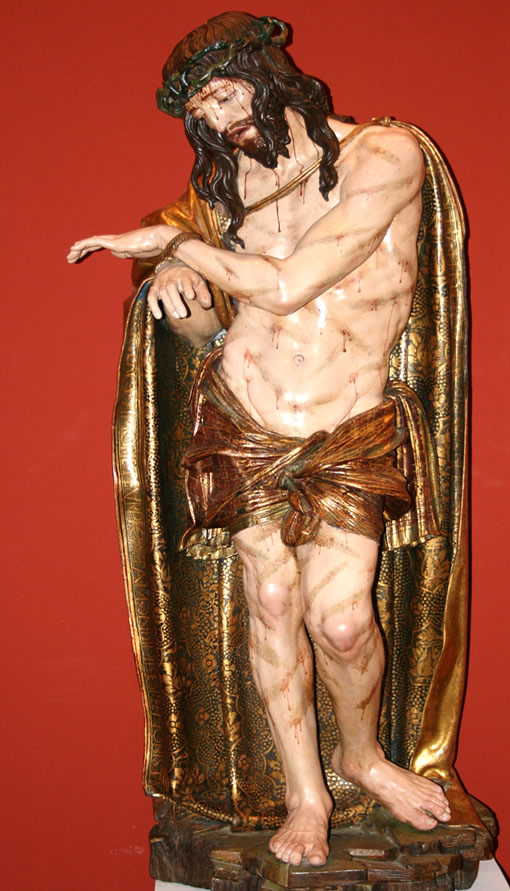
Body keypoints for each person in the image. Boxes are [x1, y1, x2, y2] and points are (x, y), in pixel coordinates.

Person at [68, 12, 452, 867]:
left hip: (344, 424)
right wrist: (177, 277)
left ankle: (364, 756)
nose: (216, 118)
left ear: (268, 71)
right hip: (241, 418)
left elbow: (285, 286)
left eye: (223, 93)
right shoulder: (227, 185)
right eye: (199, 110)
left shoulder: (384, 154)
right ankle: (307, 793)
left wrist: (176, 244)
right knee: (272, 599)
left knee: (343, 621)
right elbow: (208, 322)